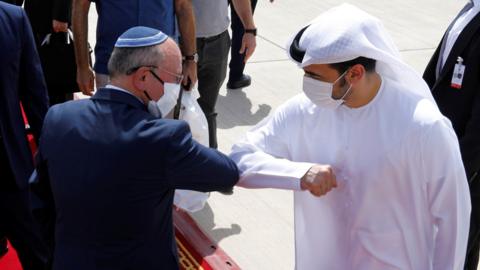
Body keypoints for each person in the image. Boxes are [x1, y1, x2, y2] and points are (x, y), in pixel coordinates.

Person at [229, 4, 471, 269]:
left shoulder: (423, 127)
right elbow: (239, 159)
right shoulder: (304, 111)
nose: (307, 83)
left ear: (354, 73)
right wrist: (299, 174)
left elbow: (453, 219)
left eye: (314, 75)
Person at [35, 26, 239, 270]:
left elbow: (39, 204)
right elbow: (227, 173)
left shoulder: (58, 118)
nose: (178, 88)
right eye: (174, 79)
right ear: (143, 77)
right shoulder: (164, 138)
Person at [423, 1, 480, 269]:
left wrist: (460, 173)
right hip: (442, 156)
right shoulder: (470, 9)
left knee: (454, 249)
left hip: (465, 169)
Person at [0, 2, 50, 269]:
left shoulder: (13, 18)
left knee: (39, 256)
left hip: (11, 169)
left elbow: (35, 95)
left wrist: (52, 155)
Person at [72, 0, 197, 95]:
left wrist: (191, 60)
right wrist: (82, 66)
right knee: (111, 127)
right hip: (112, 67)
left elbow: (183, 6)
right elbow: (80, 6)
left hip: (163, 68)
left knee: (161, 126)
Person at [192, 0, 256, 149]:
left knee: (207, 109)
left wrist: (250, 29)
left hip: (218, 40)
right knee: (174, 108)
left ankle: (210, 159)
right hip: (178, 40)